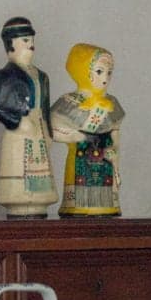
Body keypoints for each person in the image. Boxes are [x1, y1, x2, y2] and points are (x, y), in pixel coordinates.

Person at [0, 16, 57, 217]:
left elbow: (44, 107)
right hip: (19, 137)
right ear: (11, 44)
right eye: (25, 40)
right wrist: (17, 122)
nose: (31, 45)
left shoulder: (41, 76)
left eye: (32, 40)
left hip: (40, 134)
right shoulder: (1, 77)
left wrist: (49, 131)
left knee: (42, 188)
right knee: (19, 186)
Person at [50, 44, 123, 217]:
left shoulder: (112, 103)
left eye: (109, 72)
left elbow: (115, 132)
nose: (105, 78)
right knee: (79, 187)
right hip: (80, 159)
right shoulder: (68, 102)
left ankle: (104, 206)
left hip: (105, 160)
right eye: (99, 71)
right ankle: (77, 206)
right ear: (82, 71)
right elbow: (51, 130)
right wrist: (76, 136)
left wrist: (114, 152)